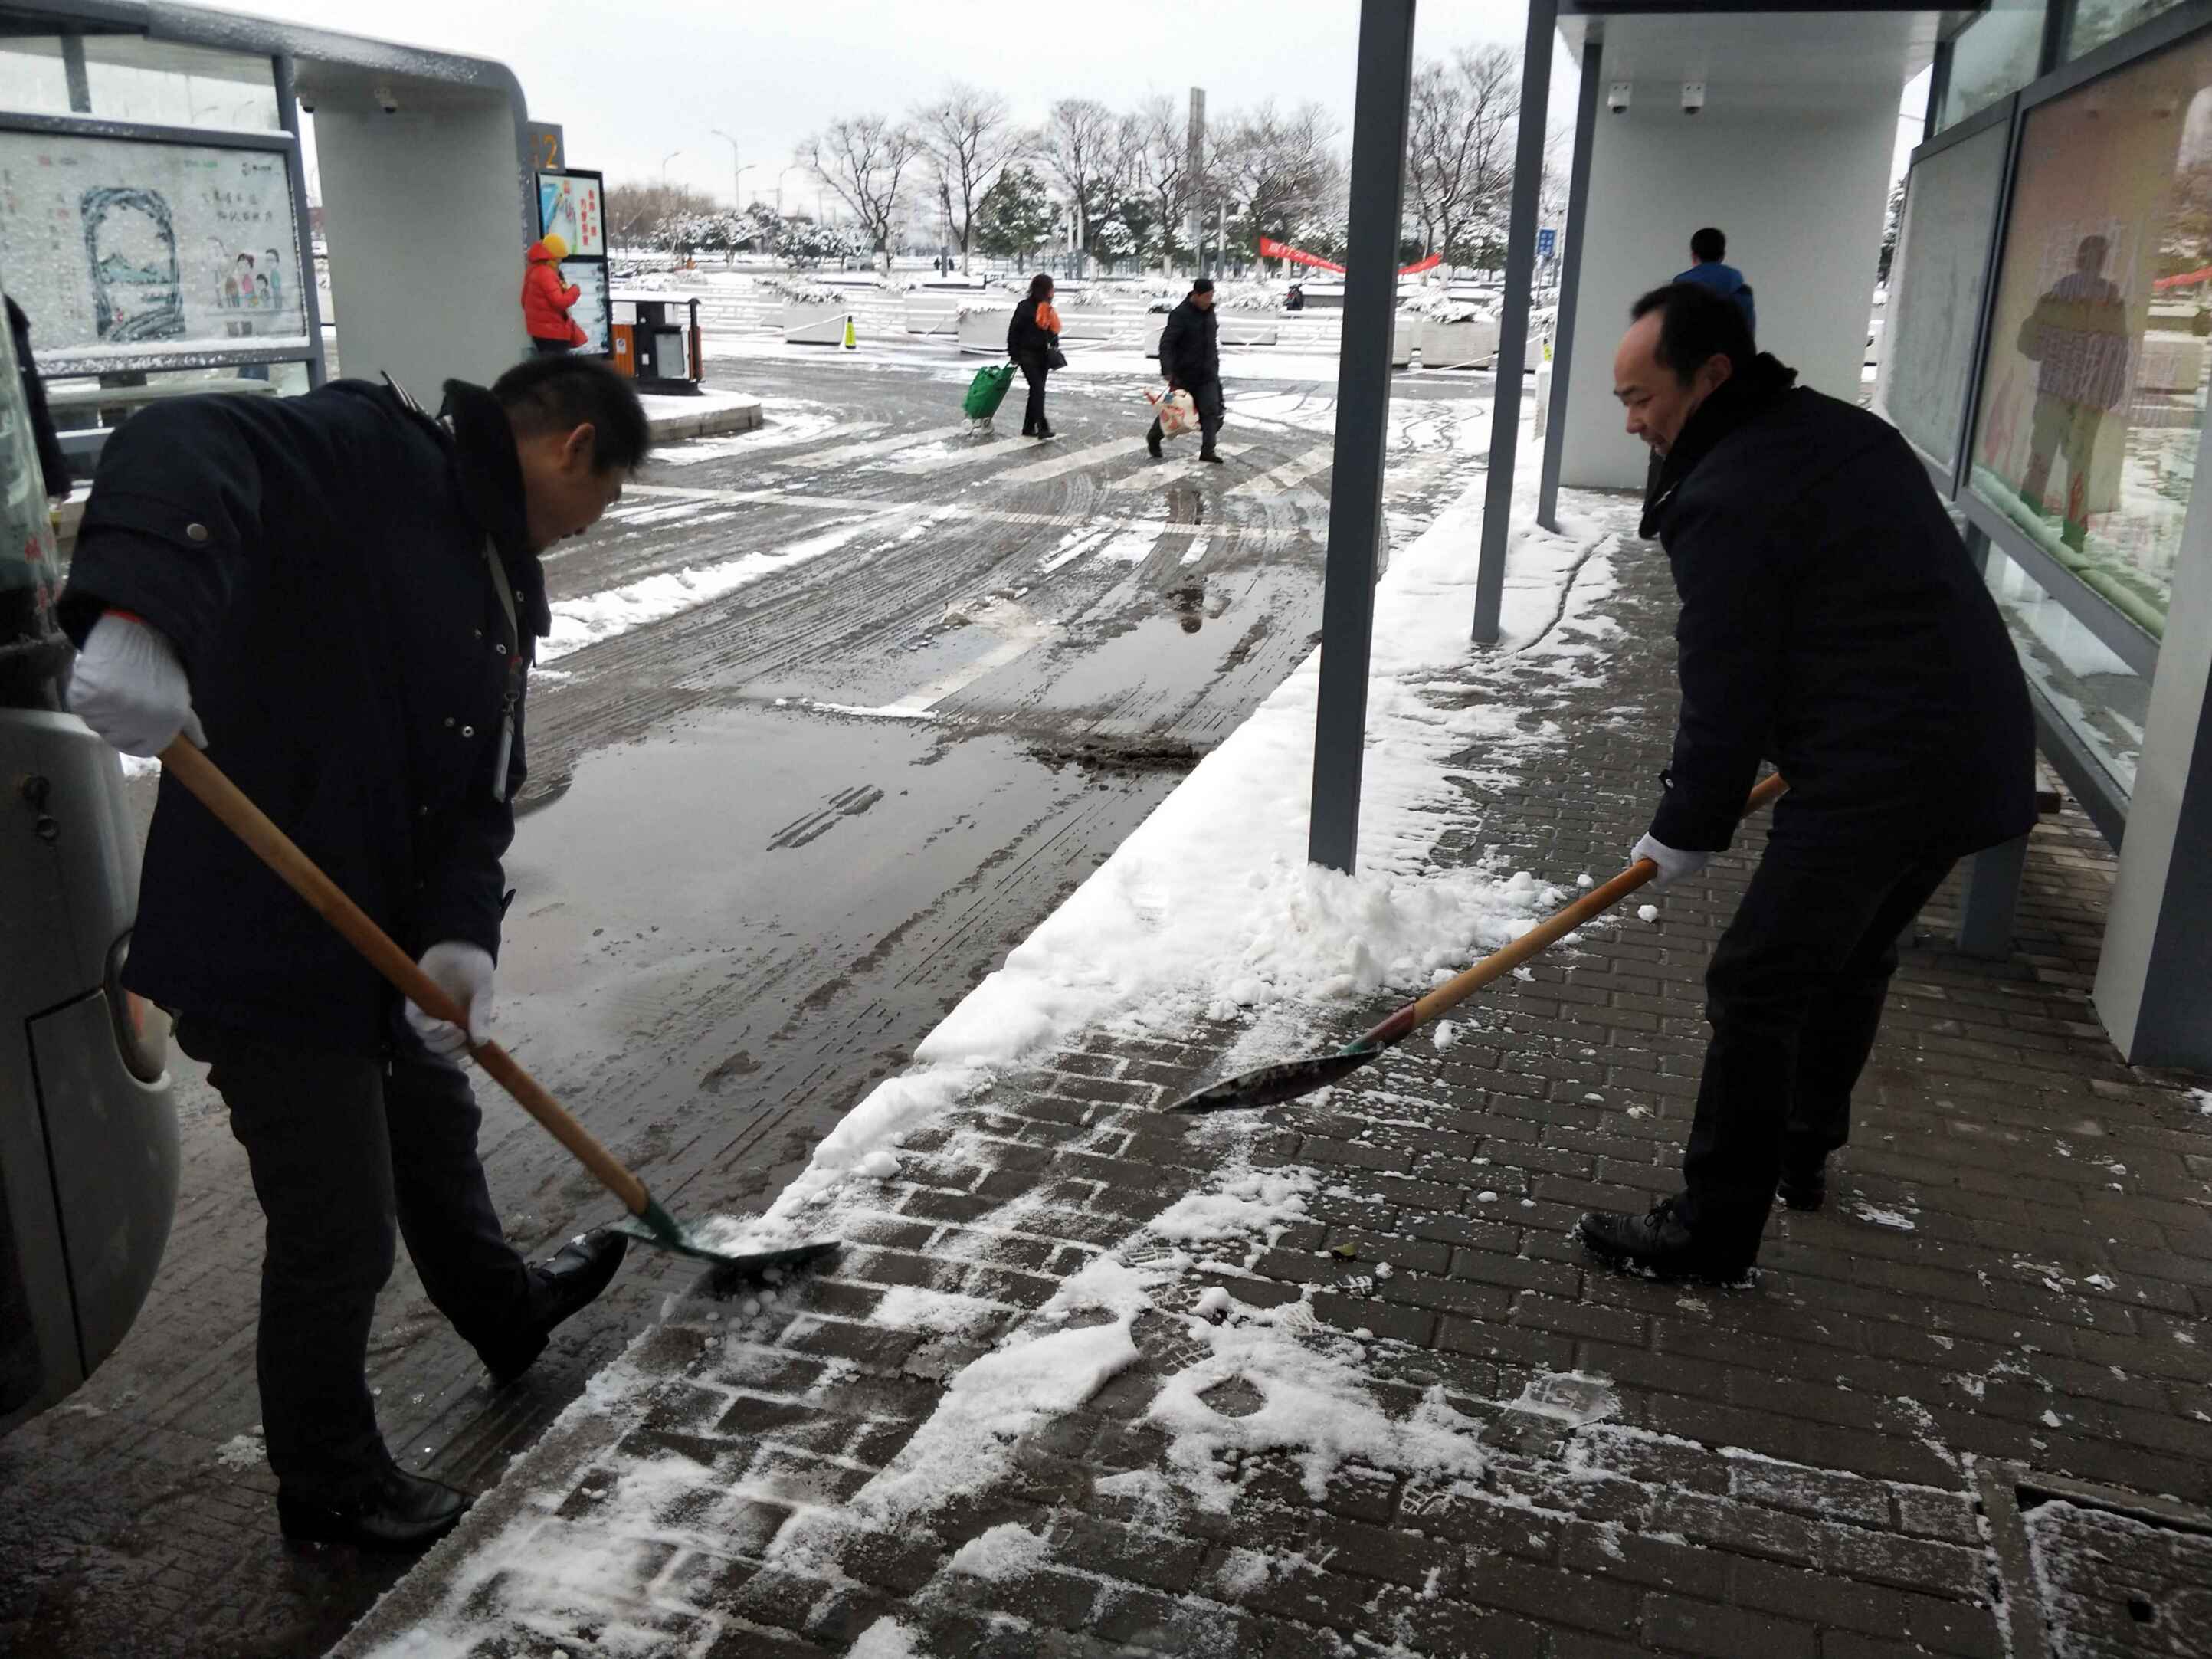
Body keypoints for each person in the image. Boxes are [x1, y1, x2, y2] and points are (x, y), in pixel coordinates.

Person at [57, 354, 650, 1549]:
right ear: (572, 447)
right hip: (266, 937)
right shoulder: (373, 458)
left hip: (379, 941)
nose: (596, 528)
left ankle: (504, 1311)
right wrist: (140, 610)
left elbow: (478, 794)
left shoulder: (492, 571)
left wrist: (458, 940)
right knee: (338, 1223)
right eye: (608, 498)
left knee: (434, 1133)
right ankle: (328, 1482)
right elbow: (183, 437)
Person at [1578, 282, 2034, 1284]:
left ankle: (1710, 1228)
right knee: (1849, 956)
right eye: (1619, 399)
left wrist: (1683, 827)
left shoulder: (1727, 495)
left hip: (1881, 774)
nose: (1631, 422)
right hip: (1971, 757)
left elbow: (1725, 684)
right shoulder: (1838, 431)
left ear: (1711, 375)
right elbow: (1869, 601)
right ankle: (1797, 1148)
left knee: (1754, 983)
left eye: (1642, 397)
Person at [2016, 235, 2130, 551]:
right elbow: (2119, 356)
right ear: (2103, 261)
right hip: (2089, 403)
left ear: (2078, 258)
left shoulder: (2056, 297)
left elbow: (2029, 346)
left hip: (2054, 394)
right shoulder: (2112, 304)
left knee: (2040, 461)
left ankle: (2024, 526)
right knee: (2080, 469)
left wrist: (2055, 345)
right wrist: (2106, 395)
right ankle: (2075, 539)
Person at [1149, 277, 1224, 463]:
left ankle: (1208, 450)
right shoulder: (1180, 314)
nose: (1209, 300)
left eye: (1211, 296)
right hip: (1184, 375)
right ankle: (1154, 437)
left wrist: (1214, 365)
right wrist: (1168, 369)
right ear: (1195, 295)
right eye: (1206, 297)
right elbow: (1166, 344)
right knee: (1176, 412)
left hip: (1207, 374)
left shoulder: (1210, 313)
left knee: (1211, 411)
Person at [1007, 272, 1061, 441]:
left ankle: (1028, 427)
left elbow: (1052, 331)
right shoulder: (1025, 307)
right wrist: (1014, 353)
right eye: (1051, 288)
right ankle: (1042, 426)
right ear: (1044, 289)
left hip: (1042, 356)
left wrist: (1055, 346)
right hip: (1026, 354)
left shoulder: (1048, 308)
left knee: (1036, 391)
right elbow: (1014, 330)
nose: (1053, 291)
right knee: (1038, 390)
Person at [1676, 227, 1755, 336]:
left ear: (1694, 256)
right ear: (1722, 256)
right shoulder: (1741, 289)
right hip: (1731, 351)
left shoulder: (1678, 290)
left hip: (1691, 351)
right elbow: (1748, 333)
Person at [523, 232, 587, 356]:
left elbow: (523, 300)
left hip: (539, 333)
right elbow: (559, 303)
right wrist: (575, 290)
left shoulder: (534, 270)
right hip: (553, 334)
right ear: (553, 256)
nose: (561, 261)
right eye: (560, 258)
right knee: (559, 371)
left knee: (547, 368)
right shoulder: (546, 274)